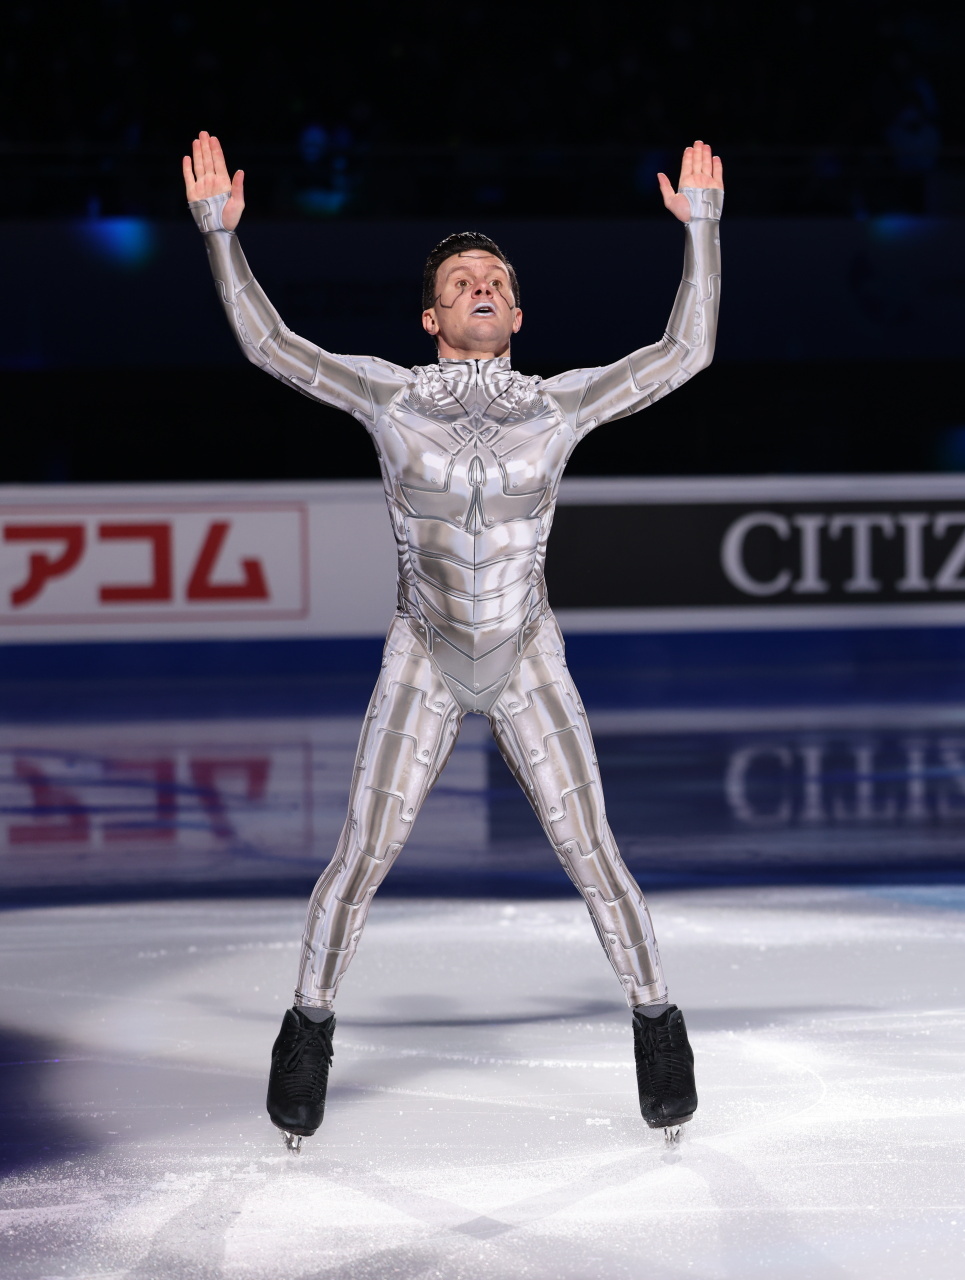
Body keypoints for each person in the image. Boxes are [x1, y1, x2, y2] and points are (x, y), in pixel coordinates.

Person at [181, 131, 724, 1150]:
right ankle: (307, 1027)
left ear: (516, 315)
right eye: (459, 278)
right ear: (431, 318)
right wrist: (220, 237)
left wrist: (704, 230)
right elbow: (271, 345)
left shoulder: (559, 404)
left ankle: (657, 1022)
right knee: (363, 851)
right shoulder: (390, 395)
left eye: (495, 279)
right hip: (424, 651)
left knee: (592, 849)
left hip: (525, 654)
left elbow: (683, 355)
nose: (479, 283)